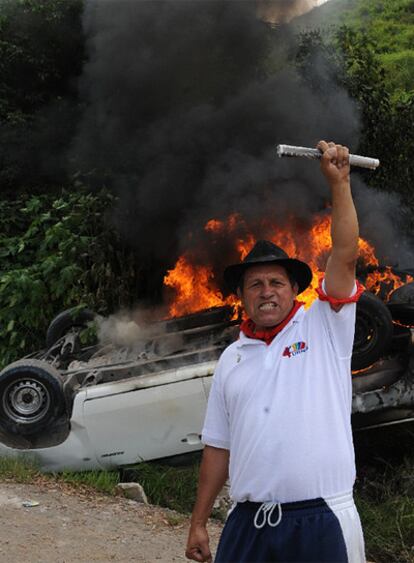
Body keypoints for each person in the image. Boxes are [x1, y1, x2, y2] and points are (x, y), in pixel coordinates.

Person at [185, 140, 366, 563]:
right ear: (242, 298)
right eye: (255, 285)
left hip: (321, 520)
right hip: (246, 523)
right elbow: (218, 447)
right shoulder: (232, 358)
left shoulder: (325, 323)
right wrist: (198, 520)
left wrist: (339, 184)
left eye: (276, 283)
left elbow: (344, 254)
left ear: (293, 290)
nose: (267, 292)